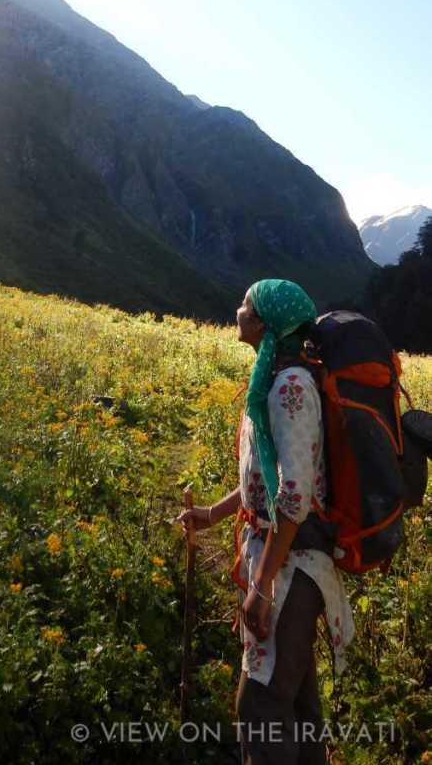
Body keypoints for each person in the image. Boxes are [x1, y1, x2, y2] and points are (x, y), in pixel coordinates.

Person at [177, 278, 354, 764]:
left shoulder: (290, 387)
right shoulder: (276, 380)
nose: (238, 309)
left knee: (260, 705)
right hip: (285, 562)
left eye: (246, 304)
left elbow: (294, 499)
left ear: (262, 323)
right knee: (295, 704)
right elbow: (267, 481)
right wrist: (212, 514)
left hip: (290, 568)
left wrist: (260, 586)